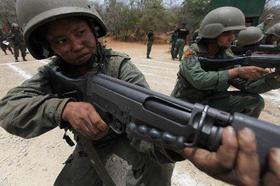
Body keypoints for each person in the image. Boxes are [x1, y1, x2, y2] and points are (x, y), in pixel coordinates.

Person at [0, 1, 280, 186]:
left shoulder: (120, 68)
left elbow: (143, 128)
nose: (74, 45)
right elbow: (9, 108)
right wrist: (63, 109)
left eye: (80, 33)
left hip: (136, 143)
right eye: (61, 40)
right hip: (93, 149)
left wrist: (183, 144)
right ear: (48, 47)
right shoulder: (53, 73)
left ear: (94, 30)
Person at [171, 6, 280, 118]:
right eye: (227, 34)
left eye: (233, 33)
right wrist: (236, 71)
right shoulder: (191, 53)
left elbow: (248, 87)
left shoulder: (226, 55)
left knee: (256, 101)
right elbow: (199, 79)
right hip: (185, 103)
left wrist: (274, 80)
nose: (232, 38)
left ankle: (236, 133)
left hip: (210, 101)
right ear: (213, 33)